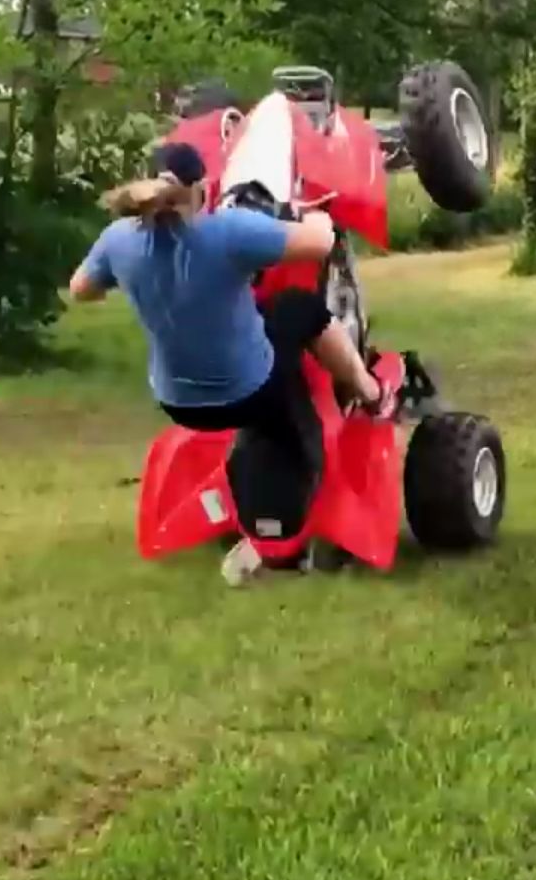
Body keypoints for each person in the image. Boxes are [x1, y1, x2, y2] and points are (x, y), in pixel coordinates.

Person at [69, 142, 387, 585]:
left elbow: (81, 289)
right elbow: (320, 243)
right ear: (203, 187)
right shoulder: (229, 231)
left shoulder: (118, 239)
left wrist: (132, 277)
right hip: (247, 394)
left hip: (179, 402)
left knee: (266, 318)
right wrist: (315, 211)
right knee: (301, 310)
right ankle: (369, 391)